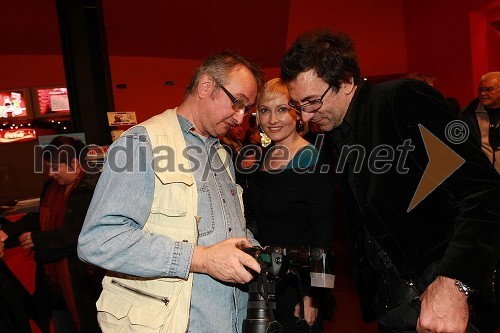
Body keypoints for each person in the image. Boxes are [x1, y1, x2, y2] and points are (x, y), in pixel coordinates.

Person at [281, 30, 500, 333]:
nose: (304, 116)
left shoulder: (402, 99)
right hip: (396, 306)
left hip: (443, 298)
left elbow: (482, 191)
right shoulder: (335, 133)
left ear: (346, 82)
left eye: (312, 102)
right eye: (297, 105)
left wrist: (454, 283)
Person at [77, 51, 264, 333]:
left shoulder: (221, 154)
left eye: (246, 109)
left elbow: (221, 231)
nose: (240, 118)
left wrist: (250, 249)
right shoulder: (141, 144)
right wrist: (200, 259)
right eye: (237, 103)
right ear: (206, 86)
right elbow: (99, 240)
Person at [245, 78, 335, 332]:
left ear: (298, 114)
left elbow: (324, 239)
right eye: (265, 110)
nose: (272, 119)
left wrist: (313, 296)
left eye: (282, 109)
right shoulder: (263, 156)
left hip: (298, 290)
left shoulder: (313, 161)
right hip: (265, 283)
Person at [1, 135, 104, 333]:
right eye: (48, 167)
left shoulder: (92, 189)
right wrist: (6, 232)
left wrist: (38, 239)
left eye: (55, 167)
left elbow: (80, 234)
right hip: (55, 285)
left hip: (83, 283)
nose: (50, 173)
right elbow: (39, 218)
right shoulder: (51, 187)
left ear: (74, 163)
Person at [460, 72, 500, 173]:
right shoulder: (468, 116)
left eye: (489, 89)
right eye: (480, 89)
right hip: (483, 178)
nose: (482, 93)